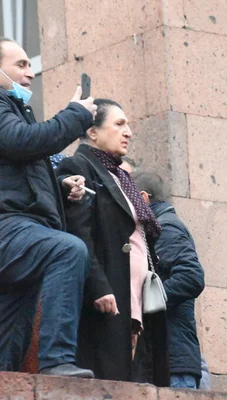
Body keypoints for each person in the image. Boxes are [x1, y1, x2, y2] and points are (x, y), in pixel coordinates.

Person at [0, 38, 97, 377]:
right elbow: (21, 142)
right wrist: (76, 115)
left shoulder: (13, 109)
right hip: (8, 227)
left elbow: (18, 167)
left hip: (17, 227)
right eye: (21, 65)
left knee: (10, 340)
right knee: (67, 250)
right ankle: (56, 361)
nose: (31, 72)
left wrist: (60, 186)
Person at [56, 99, 169, 385]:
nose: (128, 131)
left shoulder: (120, 174)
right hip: (108, 295)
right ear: (92, 132)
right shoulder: (78, 166)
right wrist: (98, 286)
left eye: (128, 124)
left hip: (137, 300)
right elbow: (79, 233)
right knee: (109, 379)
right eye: (119, 124)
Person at [133, 171, 206, 390]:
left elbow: (191, 276)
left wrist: (145, 302)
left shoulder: (166, 228)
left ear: (143, 198)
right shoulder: (159, 227)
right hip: (169, 357)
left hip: (175, 360)